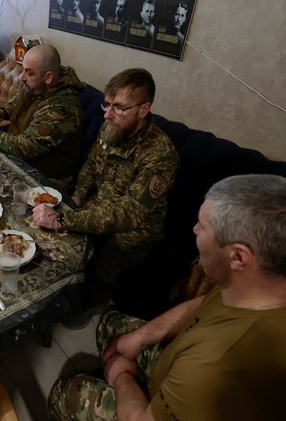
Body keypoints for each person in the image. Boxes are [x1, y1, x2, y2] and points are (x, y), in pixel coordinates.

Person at [44, 174, 286, 421]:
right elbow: (206, 303)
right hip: (214, 406)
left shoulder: (217, 365)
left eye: (203, 226)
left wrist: (122, 378)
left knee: (66, 394)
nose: (194, 229)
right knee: (112, 325)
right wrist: (144, 335)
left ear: (239, 257)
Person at [31, 68, 178, 303]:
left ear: (144, 109)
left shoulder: (160, 154)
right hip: (99, 206)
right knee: (45, 240)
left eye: (118, 107)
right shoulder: (111, 126)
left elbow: (130, 214)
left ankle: (90, 304)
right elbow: (91, 166)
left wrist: (63, 219)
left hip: (135, 227)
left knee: (103, 265)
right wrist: (76, 198)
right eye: (106, 104)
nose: (107, 114)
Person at [0, 44, 83, 185]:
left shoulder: (62, 108)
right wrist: (3, 112)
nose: (22, 77)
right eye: (23, 70)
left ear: (48, 77)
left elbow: (26, 147)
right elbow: (17, 101)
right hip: (21, 160)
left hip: (46, 176)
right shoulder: (35, 83)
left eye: (29, 73)